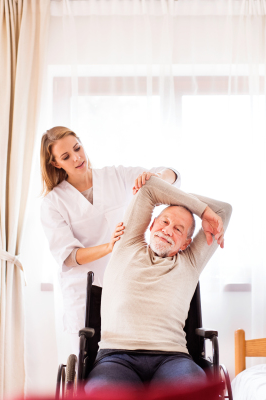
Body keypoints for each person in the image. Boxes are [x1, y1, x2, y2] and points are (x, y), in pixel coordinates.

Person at [39, 126, 182, 358]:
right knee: (88, 363)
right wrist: (109, 247)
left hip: (126, 285)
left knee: (124, 359)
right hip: (83, 292)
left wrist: (156, 179)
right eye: (66, 156)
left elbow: (172, 174)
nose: (77, 158)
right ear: (55, 163)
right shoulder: (53, 203)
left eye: (77, 148)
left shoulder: (115, 176)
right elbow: (69, 256)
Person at [84, 175, 232, 393]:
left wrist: (203, 211)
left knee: (191, 392)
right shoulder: (127, 244)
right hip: (116, 358)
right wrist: (202, 210)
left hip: (172, 359)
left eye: (179, 229)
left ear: (186, 243)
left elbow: (223, 211)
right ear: (152, 224)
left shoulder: (190, 262)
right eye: (164, 222)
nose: (167, 230)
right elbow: (150, 188)